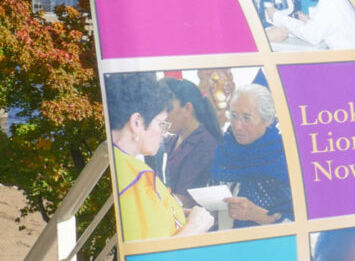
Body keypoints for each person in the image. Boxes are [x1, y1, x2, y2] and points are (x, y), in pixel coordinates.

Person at [105, 72, 214, 241]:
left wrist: (174, 213)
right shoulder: (137, 178)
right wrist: (195, 227)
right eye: (161, 123)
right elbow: (157, 258)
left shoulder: (112, 162)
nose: (164, 133)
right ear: (137, 122)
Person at [210, 83, 294, 229]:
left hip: (270, 247)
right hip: (226, 244)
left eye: (246, 118)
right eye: (234, 116)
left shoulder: (286, 159)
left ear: (268, 120)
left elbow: (303, 225)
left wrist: (256, 215)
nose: (237, 126)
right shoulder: (224, 150)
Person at [159, 76, 221, 206]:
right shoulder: (174, 138)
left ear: (187, 108)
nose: (163, 115)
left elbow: (186, 199)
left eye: (168, 108)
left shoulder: (205, 144)